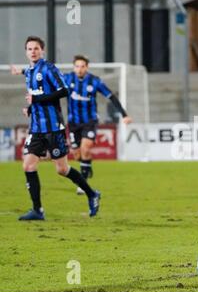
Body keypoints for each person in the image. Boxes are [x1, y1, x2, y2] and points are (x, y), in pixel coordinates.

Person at [10, 36, 101, 220]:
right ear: (26, 52)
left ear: (42, 50)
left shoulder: (49, 68)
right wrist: (30, 108)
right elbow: (36, 96)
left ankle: (92, 194)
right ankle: (37, 210)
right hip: (36, 128)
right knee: (28, 166)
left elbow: (64, 91)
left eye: (36, 48)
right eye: (29, 48)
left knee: (61, 169)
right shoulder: (29, 72)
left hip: (53, 128)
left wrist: (36, 101)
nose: (33, 51)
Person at [64, 55, 132, 194]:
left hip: (90, 121)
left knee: (86, 148)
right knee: (77, 155)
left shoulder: (95, 81)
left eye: (83, 66)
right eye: (77, 66)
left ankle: (83, 184)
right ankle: (87, 166)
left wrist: (124, 114)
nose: (80, 69)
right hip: (73, 123)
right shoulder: (67, 79)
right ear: (73, 67)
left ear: (87, 67)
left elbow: (111, 97)